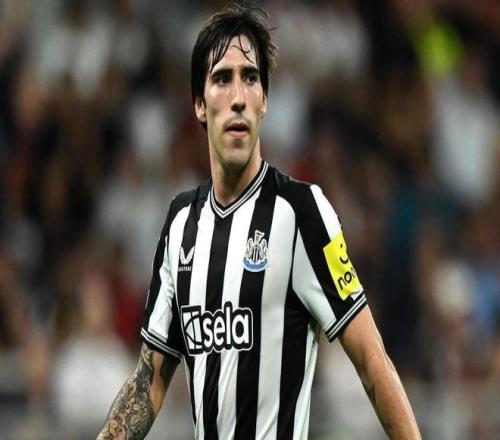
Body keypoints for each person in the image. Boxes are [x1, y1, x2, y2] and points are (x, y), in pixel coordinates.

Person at [97, 3, 422, 439]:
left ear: (264, 101)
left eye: (250, 78)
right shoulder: (181, 224)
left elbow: (371, 361)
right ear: (199, 105)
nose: (238, 96)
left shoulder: (302, 212)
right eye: (222, 79)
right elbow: (149, 381)